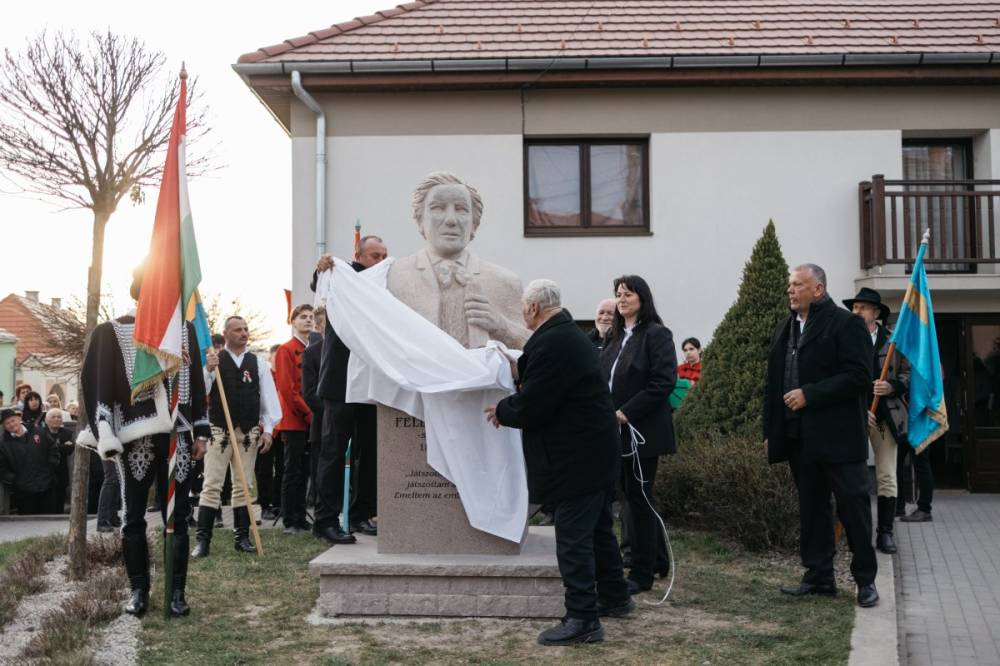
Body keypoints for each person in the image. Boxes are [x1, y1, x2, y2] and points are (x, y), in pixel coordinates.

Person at [486, 279, 630, 646]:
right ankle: (614, 595)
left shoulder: (553, 341)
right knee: (598, 529)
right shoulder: (565, 335)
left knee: (572, 538)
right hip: (595, 452)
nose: (522, 312)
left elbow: (537, 403)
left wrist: (503, 409)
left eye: (523, 307)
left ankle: (583, 618)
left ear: (533, 308)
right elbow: (550, 380)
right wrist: (520, 369)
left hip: (576, 458)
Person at [76, 266, 210, 617]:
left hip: (177, 436)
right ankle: (138, 591)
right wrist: (105, 428)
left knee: (179, 516)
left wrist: (202, 431)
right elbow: (97, 382)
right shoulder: (112, 332)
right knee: (132, 515)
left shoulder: (184, 332)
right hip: (134, 439)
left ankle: (177, 591)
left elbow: (195, 382)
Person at [763, 264, 878, 608]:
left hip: (839, 438)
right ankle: (818, 576)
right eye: (789, 285)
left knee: (853, 508)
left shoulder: (846, 324)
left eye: (798, 285)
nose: (790, 290)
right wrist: (771, 430)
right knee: (812, 509)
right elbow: (773, 384)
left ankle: (865, 581)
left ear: (818, 289)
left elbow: (859, 375)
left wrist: (810, 394)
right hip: (799, 438)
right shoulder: (784, 328)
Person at [600, 275, 676, 595]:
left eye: (628, 294)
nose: (622, 299)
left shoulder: (656, 335)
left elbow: (662, 382)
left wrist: (627, 411)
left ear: (642, 298)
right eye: (618, 294)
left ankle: (642, 573)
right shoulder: (616, 338)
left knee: (640, 501)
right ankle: (654, 560)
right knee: (629, 499)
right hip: (613, 432)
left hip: (641, 431)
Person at [310, 235, 388, 543]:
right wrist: (322, 270)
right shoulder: (344, 276)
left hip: (371, 381)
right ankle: (325, 520)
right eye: (374, 255)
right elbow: (320, 283)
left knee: (370, 453)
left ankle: (360, 515)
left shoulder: (385, 282)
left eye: (384, 255)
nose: (381, 261)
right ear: (358, 255)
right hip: (341, 381)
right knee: (333, 451)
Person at [192, 315, 281, 557]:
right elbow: (200, 390)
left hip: (248, 431)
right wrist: (208, 369)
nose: (243, 333)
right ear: (226, 333)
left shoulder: (258, 363)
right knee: (211, 485)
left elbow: (269, 399)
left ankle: (241, 537)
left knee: (244, 486)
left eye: (245, 329)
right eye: (238, 330)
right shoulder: (215, 361)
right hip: (219, 430)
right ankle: (203, 541)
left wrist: (269, 430)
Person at [844, 288, 909, 554]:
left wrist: (892, 386)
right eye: (854, 307)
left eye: (861, 307)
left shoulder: (893, 342)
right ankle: (851, 533)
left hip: (883, 421)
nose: (856, 312)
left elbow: (909, 375)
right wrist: (858, 409)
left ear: (876, 313)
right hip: (852, 417)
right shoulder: (844, 340)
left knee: (886, 474)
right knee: (847, 476)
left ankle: (885, 533)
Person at [274, 304, 315, 534]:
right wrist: (309, 413)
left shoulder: (314, 348)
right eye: (303, 317)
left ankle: (301, 516)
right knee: (293, 471)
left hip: (311, 418)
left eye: (310, 317)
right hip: (295, 420)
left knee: (304, 471)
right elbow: (287, 390)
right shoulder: (286, 349)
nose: (308, 320)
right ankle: (290, 519)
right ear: (294, 322)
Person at [0, 408, 60, 514]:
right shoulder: (4, 444)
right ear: (4, 427)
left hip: (46, 486)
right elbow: (2, 467)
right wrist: (15, 480)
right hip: (24, 491)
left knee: (49, 522)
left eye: (12, 420)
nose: (11, 424)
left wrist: (50, 467)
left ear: (19, 419)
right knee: (28, 525)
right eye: (7, 423)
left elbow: (53, 448)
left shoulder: (37, 431)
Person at [256, 343, 285, 521]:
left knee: (282, 468)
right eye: (276, 357)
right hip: (264, 429)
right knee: (264, 470)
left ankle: (278, 503)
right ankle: (264, 505)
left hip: (283, 428)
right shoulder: (265, 376)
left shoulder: (284, 375)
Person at [38, 410, 75, 514]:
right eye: (53, 417)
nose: (56, 419)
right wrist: (61, 446)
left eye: (59, 417)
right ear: (46, 420)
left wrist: (53, 447)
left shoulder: (67, 432)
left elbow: (69, 449)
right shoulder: (41, 432)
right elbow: (42, 450)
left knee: (60, 502)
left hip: (61, 472)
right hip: (45, 472)